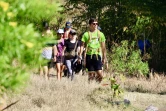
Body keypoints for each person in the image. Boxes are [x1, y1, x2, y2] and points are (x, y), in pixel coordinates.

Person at [78, 18, 107, 83]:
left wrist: (104, 58)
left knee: (100, 74)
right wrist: (80, 56)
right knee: (91, 75)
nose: (95, 25)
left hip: (97, 55)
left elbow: (103, 47)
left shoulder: (100, 34)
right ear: (90, 25)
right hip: (89, 55)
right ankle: (90, 87)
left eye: (96, 24)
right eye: (94, 24)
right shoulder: (86, 34)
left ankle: (97, 84)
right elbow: (82, 46)